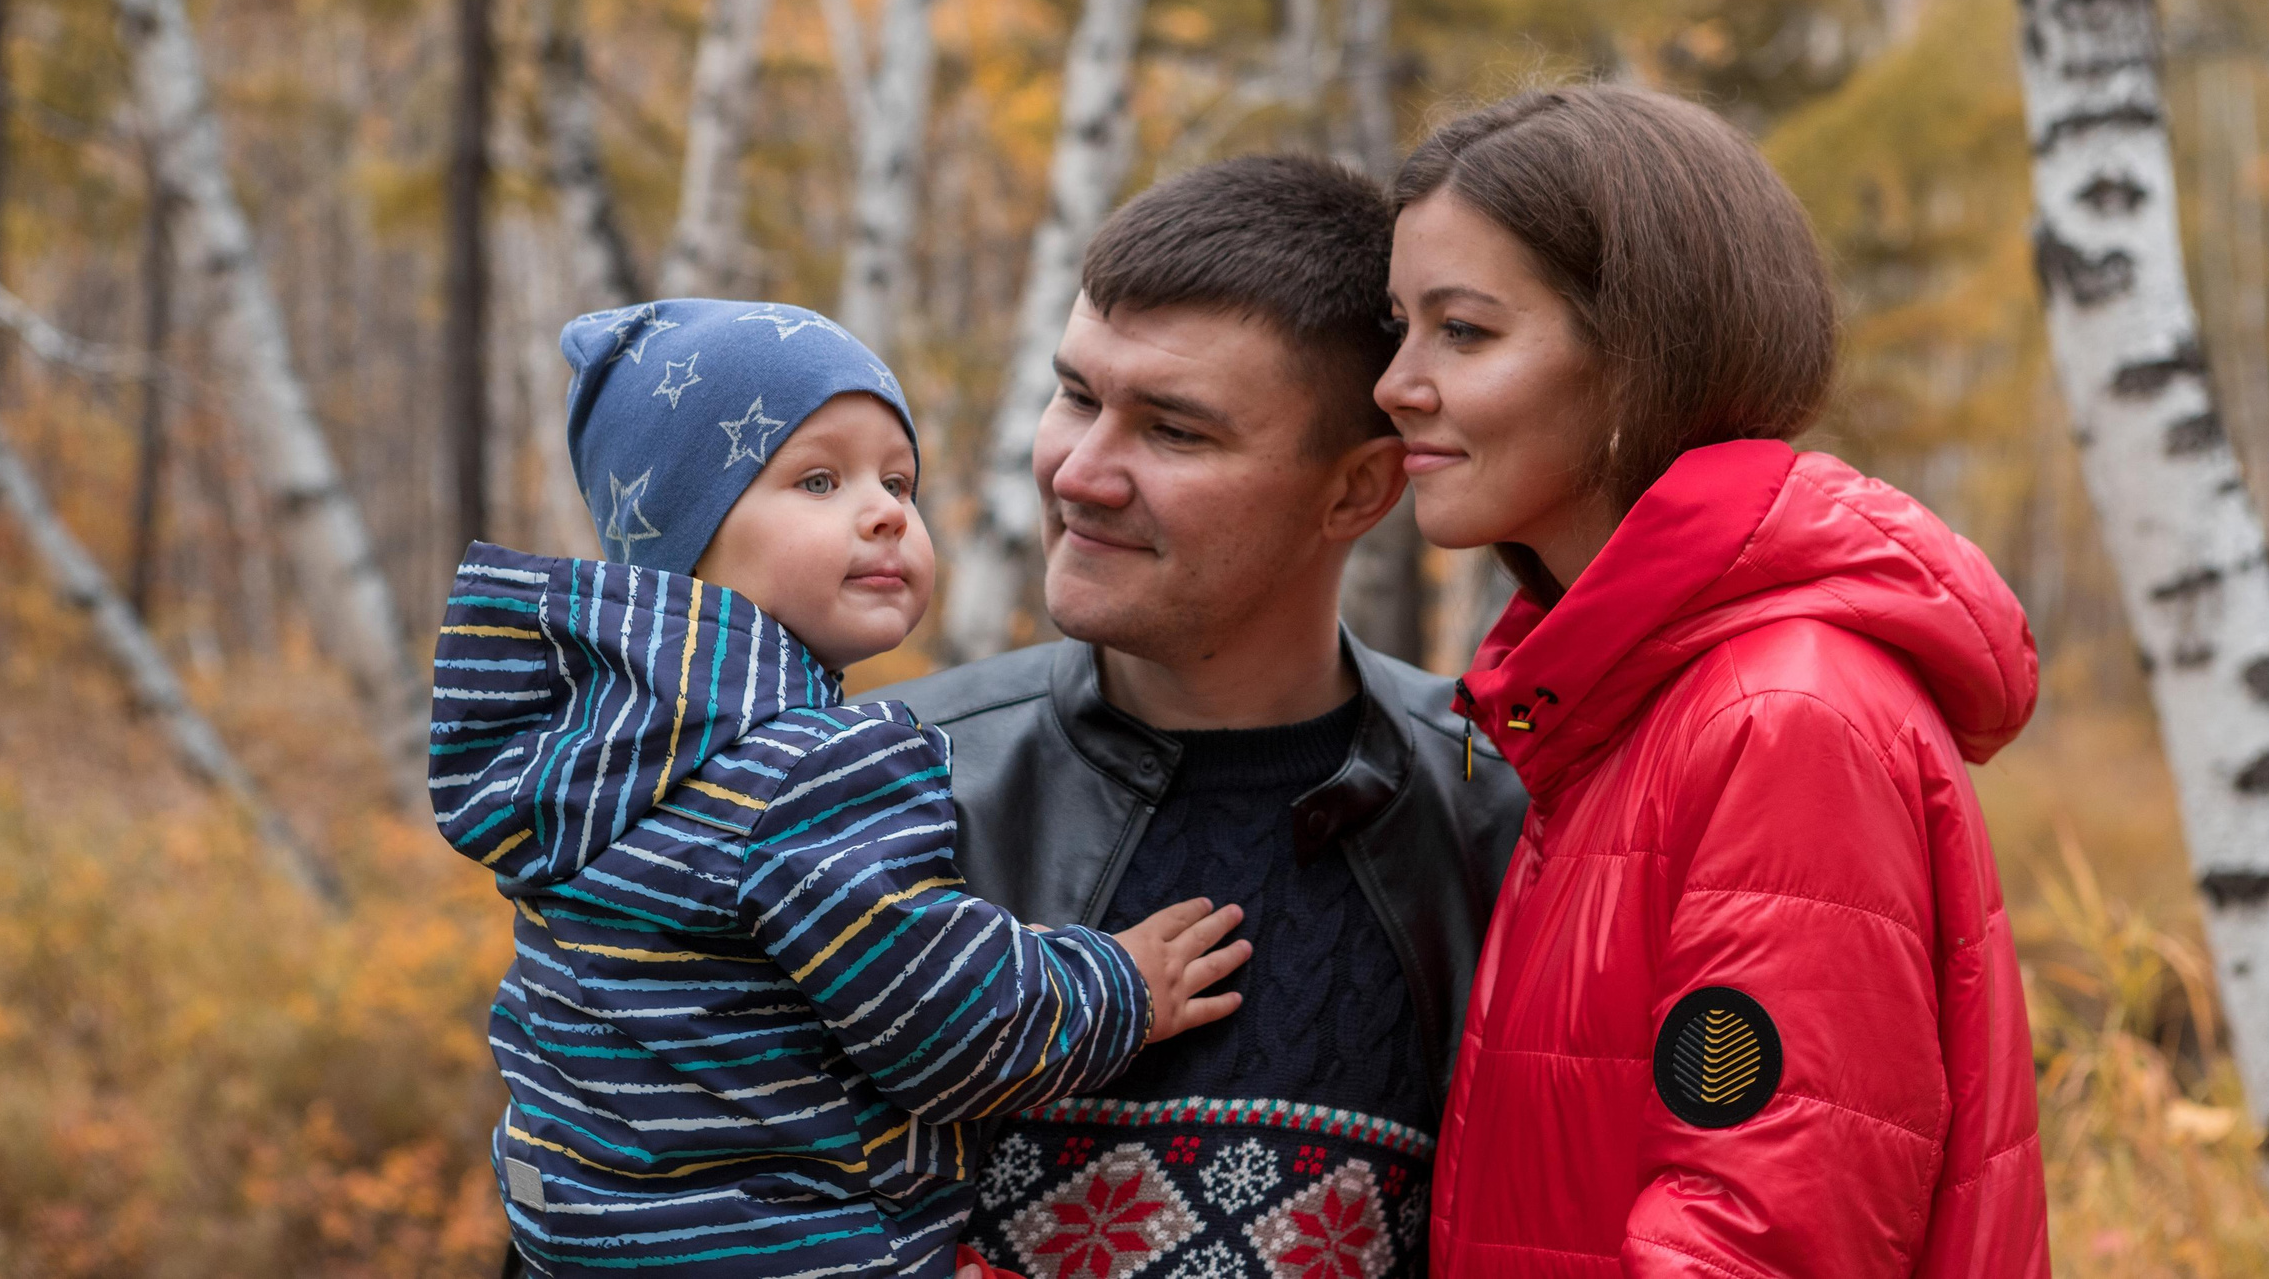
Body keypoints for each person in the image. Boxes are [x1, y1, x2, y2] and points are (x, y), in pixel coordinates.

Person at [428, 299, 1251, 1279]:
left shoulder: (581, 755)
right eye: (817, 480)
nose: (886, 511)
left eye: (899, 480)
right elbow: (950, 1024)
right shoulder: (813, 767)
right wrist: (1119, 986)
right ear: (686, 538)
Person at [1380, 88, 2048, 1278]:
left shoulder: (1778, 717)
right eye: (1399, 327)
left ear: (1637, 357)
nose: (1395, 383)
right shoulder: (1616, 702)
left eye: (1463, 333)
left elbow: (1759, 1236)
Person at [900, 156, 1530, 1279]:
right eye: (1078, 396)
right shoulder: (881, 788)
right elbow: (628, 1190)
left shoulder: (1501, 816)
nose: (1080, 474)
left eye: (1175, 432)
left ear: (1357, 491)